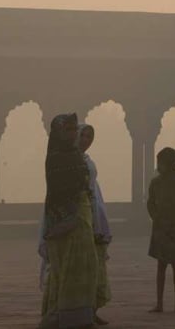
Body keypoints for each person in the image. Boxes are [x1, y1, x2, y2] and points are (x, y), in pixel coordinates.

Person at [38, 113, 98, 329]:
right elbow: (58, 192)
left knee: (84, 267)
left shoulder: (75, 155)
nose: (73, 134)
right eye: (69, 130)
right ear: (58, 133)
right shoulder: (55, 157)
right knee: (63, 270)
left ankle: (79, 316)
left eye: (75, 130)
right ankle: (59, 315)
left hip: (81, 217)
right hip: (62, 219)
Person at [146, 147, 175, 313]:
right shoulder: (157, 182)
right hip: (170, 226)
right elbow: (151, 203)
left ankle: (174, 303)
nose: (158, 165)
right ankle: (163, 303)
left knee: (171, 266)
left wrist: (160, 218)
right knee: (165, 266)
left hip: (170, 227)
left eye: (160, 162)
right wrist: (158, 218)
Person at [77, 124, 113, 325]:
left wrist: (101, 223)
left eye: (90, 136)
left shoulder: (87, 161)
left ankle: (91, 309)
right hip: (81, 217)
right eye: (83, 135)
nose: (87, 139)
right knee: (82, 267)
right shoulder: (71, 161)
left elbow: (94, 192)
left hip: (93, 215)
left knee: (95, 267)